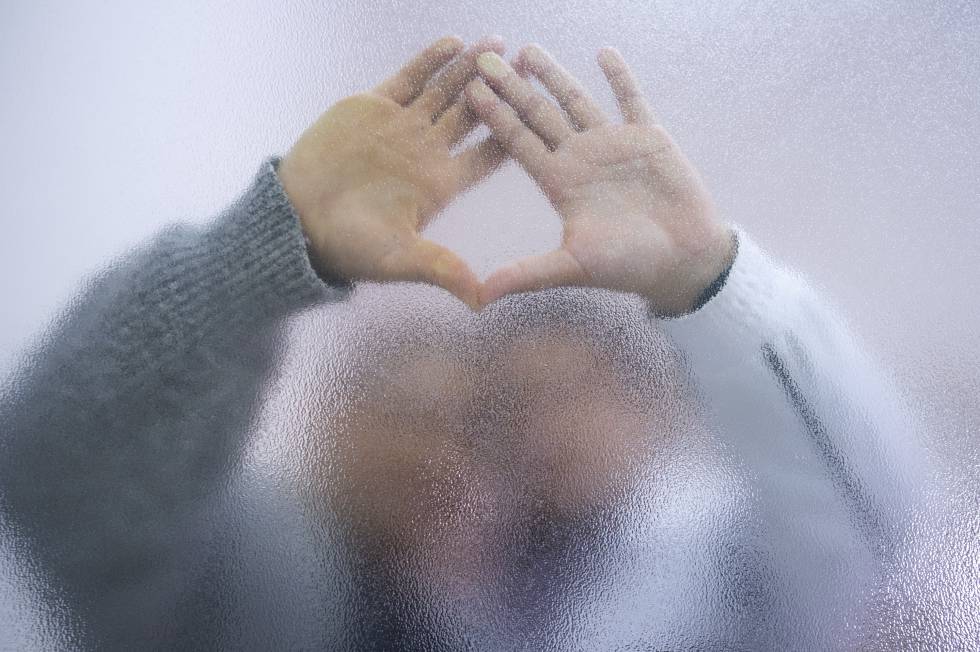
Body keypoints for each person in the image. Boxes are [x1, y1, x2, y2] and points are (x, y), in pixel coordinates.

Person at [0, 36, 927, 649]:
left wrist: (714, 285)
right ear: (333, 425)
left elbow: (870, 514)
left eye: (480, 422)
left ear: (654, 414)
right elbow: (58, 482)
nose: (435, 453)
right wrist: (253, 258)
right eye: (407, 412)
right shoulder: (252, 581)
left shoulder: (720, 575)